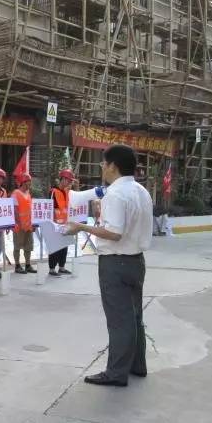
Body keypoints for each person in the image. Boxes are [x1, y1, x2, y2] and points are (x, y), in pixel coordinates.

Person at [66, 145, 153, 387]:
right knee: (134, 316)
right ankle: (137, 365)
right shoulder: (141, 191)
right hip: (136, 261)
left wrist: (81, 227)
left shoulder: (115, 194)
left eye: (104, 163)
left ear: (113, 165)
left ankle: (116, 373)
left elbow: (114, 233)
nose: (102, 167)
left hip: (116, 263)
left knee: (119, 320)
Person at [49, 169, 75, 276]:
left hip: (65, 224)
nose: (69, 183)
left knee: (64, 246)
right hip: (55, 224)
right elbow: (49, 208)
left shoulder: (66, 192)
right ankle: (52, 269)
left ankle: (62, 267)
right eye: (68, 181)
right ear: (63, 179)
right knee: (55, 246)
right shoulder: (53, 192)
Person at [12, 173, 36, 274]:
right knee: (17, 245)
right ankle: (17, 265)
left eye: (30, 181)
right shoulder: (16, 193)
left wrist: (33, 223)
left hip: (28, 225)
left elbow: (31, 209)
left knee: (28, 246)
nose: (29, 184)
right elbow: (15, 210)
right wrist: (19, 223)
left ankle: (27, 265)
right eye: (27, 181)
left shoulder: (28, 193)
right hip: (19, 225)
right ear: (22, 182)